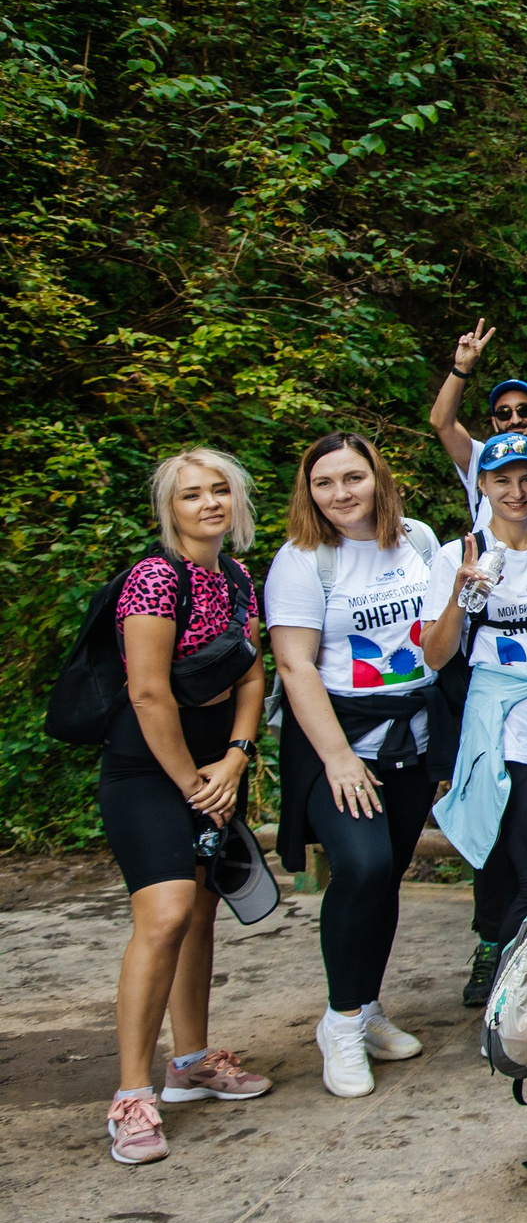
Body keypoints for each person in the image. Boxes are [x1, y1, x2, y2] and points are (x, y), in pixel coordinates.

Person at [101, 449, 272, 1165]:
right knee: (165, 913)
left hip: (213, 763)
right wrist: (193, 782)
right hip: (149, 765)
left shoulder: (234, 576)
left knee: (203, 910)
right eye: (192, 494)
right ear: (168, 508)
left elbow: (251, 673)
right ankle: (131, 1093)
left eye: (219, 491)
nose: (209, 503)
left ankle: (191, 1060)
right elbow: (146, 692)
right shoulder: (152, 578)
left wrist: (234, 758)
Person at [266, 433, 444, 1098]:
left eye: (352, 478)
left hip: (412, 737)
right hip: (338, 739)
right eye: (324, 482)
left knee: (389, 873)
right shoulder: (304, 560)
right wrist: (339, 759)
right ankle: (339, 1025)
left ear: (379, 476)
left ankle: (366, 1006)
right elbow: (294, 663)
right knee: (361, 865)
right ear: (308, 491)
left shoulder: (419, 542)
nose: (340, 493)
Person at [426, 435, 527, 1006]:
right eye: (502, 480)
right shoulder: (459, 553)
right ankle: (509, 1003)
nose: (516, 492)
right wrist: (458, 597)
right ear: (483, 485)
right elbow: (436, 654)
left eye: (526, 479)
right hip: (503, 730)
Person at [428, 318, 527, 528]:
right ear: (494, 422)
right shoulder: (482, 459)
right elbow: (442, 422)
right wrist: (461, 368)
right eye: (504, 413)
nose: (515, 420)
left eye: (524, 410)